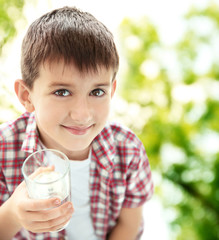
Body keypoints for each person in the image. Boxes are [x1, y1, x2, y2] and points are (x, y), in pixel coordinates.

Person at [0, 6, 153, 240]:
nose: (82, 115)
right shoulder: (4, 148)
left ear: (111, 91)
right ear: (26, 96)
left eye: (97, 92)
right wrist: (12, 214)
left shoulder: (128, 150)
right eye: (62, 92)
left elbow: (129, 225)